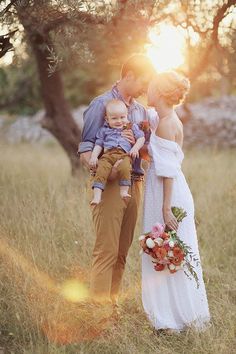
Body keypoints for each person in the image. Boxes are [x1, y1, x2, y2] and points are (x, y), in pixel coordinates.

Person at [79, 54, 155, 310]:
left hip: (136, 183)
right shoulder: (100, 104)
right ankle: (97, 315)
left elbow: (145, 151)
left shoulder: (141, 110)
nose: (146, 87)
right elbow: (85, 151)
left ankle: (111, 308)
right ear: (129, 75)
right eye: (143, 80)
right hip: (111, 185)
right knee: (106, 251)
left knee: (122, 253)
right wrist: (108, 171)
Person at [142, 71, 210, 332]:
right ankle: (175, 315)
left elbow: (167, 170)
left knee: (167, 251)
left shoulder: (167, 122)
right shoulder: (164, 119)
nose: (146, 91)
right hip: (167, 188)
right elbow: (158, 157)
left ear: (158, 91)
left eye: (149, 86)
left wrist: (166, 207)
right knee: (167, 252)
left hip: (166, 192)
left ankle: (171, 319)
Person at [89, 99, 145, 205]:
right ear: (107, 119)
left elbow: (141, 138)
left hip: (124, 154)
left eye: (122, 117)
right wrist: (94, 156)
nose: (119, 121)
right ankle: (97, 196)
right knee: (101, 168)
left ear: (127, 115)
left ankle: (123, 191)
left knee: (125, 167)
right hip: (107, 155)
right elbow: (98, 144)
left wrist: (135, 148)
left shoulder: (132, 127)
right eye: (114, 118)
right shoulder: (104, 130)